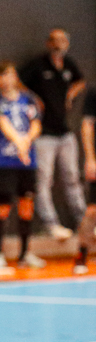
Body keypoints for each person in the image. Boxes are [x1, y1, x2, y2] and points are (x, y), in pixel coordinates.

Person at [19, 29, 87, 240]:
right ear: (49, 43)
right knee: (43, 181)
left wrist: (70, 94)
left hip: (65, 132)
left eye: (63, 41)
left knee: (72, 178)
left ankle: (85, 223)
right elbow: (18, 80)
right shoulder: (38, 64)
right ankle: (51, 224)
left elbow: (80, 81)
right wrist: (33, 98)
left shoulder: (68, 65)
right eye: (55, 41)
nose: (59, 45)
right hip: (44, 134)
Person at [0, 61, 45, 269]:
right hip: (6, 162)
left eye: (10, 74)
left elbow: (36, 124)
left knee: (26, 207)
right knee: (3, 208)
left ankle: (24, 254)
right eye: (2, 75)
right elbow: (4, 125)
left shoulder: (29, 100)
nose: (6, 79)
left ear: (15, 77)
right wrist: (20, 145)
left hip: (27, 164)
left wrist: (26, 143)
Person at [76, 88, 96, 274]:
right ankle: (81, 255)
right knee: (92, 210)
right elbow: (87, 125)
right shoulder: (94, 92)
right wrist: (90, 158)